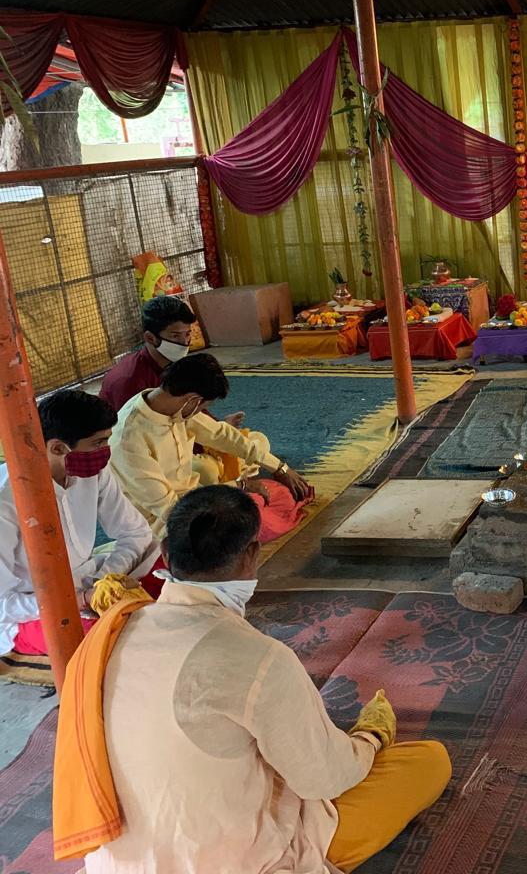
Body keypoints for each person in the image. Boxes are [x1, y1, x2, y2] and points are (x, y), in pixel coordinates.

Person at [52, 486, 452, 870]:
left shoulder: (115, 632)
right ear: (252, 554)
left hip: (121, 863)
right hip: (231, 861)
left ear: (165, 553)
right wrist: (370, 738)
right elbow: (325, 778)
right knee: (428, 762)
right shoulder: (260, 658)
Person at [0, 390, 161, 657]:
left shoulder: (91, 469)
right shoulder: (6, 502)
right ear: (57, 448)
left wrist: (104, 583)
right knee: (112, 636)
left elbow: (136, 533)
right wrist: (79, 599)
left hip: (91, 580)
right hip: (32, 612)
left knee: (169, 561)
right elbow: (3, 603)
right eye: (98, 443)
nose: (106, 452)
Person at [109, 353, 312, 540]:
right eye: (203, 407)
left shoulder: (171, 406)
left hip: (196, 497)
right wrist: (238, 487)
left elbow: (220, 434)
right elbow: (172, 509)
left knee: (272, 484)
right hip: (166, 523)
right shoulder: (129, 440)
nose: (201, 412)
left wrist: (280, 467)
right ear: (193, 400)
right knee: (246, 522)